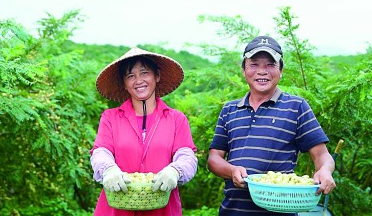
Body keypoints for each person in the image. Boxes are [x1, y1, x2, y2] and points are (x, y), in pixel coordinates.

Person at [207, 36, 336, 216]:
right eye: (254, 64)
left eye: (270, 64)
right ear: (243, 70)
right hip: (233, 210)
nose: (262, 71)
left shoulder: (297, 107)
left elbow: (322, 155)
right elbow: (214, 159)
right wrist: (231, 170)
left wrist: (324, 171)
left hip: (280, 211)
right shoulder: (229, 110)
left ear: (281, 70)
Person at [90, 47, 198, 216]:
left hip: (162, 209)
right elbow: (101, 151)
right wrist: (108, 169)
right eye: (130, 76)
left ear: (157, 76)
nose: (138, 80)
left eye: (144, 73)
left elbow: (186, 155)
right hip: (116, 209)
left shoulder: (176, 119)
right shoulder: (110, 117)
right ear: (124, 84)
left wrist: (176, 170)